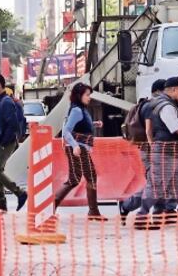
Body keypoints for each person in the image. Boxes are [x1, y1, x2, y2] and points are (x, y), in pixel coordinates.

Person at [146, 77, 178, 225]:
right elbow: (176, 128)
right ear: (173, 89)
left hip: (172, 148)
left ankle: (174, 211)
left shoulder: (171, 104)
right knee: (158, 184)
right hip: (165, 149)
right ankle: (139, 210)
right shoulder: (165, 106)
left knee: (175, 181)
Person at [56, 82, 107, 220]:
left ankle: (93, 211)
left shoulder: (80, 109)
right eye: (87, 95)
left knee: (75, 179)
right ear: (79, 96)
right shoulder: (77, 110)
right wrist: (75, 146)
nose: (89, 97)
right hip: (79, 148)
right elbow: (66, 130)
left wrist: (94, 123)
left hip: (79, 147)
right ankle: (93, 211)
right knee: (86, 177)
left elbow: (80, 126)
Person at [119, 79, 164, 225]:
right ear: (158, 91)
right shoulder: (150, 107)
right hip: (150, 150)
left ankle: (158, 215)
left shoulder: (154, 105)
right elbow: (148, 130)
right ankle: (127, 205)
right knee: (155, 184)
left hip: (154, 149)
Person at [0, 73, 28, 212]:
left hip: (5, 142)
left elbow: (13, 125)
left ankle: (20, 193)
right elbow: (0, 121)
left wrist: (4, 142)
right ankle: (1, 203)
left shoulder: (6, 102)